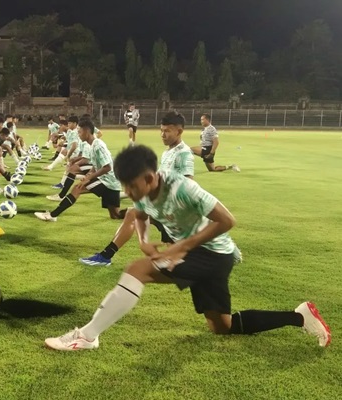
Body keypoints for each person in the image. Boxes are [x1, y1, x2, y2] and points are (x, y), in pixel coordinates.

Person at [44, 145, 331, 350]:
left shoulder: (182, 188)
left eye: (132, 186)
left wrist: (182, 247)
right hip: (205, 256)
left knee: (137, 270)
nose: (129, 194)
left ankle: (87, 335)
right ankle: (299, 316)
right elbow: (140, 215)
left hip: (213, 253)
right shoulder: (142, 192)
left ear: (150, 177)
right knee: (222, 326)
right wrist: (144, 242)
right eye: (125, 187)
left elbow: (227, 220)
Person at [79, 111, 194, 266]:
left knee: (176, 262)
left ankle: (107, 256)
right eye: (161, 130)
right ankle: (106, 256)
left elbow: (188, 182)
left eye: (167, 131)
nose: (162, 134)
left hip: (172, 210)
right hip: (162, 206)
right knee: (133, 215)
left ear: (179, 131)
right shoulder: (169, 152)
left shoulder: (184, 153)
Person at [35, 119, 122, 222]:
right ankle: (137, 213)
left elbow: (107, 167)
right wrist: (89, 174)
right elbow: (96, 164)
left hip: (108, 182)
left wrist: (89, 177)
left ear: (87, 131)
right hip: (107, 181)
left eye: (79, 132)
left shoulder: (98, 145)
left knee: (77, 188)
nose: (78, 135)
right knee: (115, 215)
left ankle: (52, 215)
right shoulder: (93, 144)